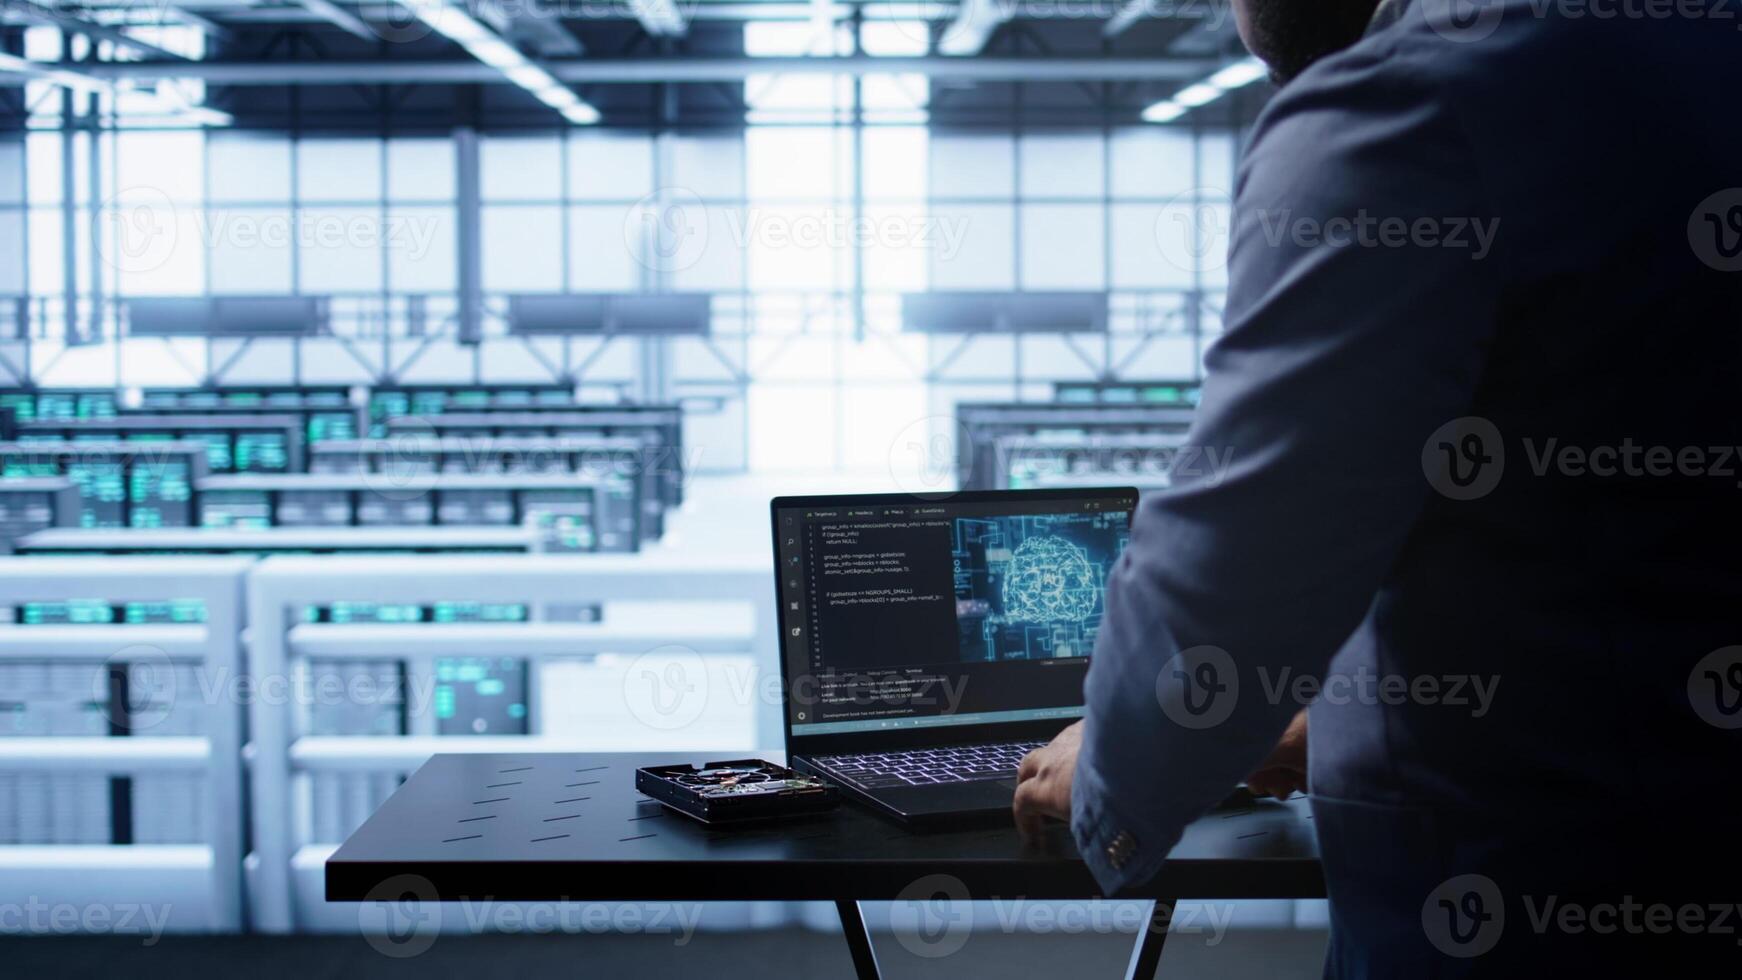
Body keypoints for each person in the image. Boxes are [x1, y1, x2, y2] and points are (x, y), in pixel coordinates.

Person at [1013, 0, 1742, 973]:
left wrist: (1108, 772)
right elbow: (1616, 561)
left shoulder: (1410, 102)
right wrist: (1328, 727)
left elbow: (1235, 565)